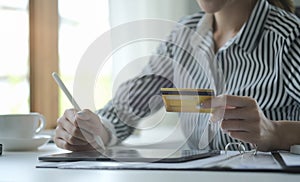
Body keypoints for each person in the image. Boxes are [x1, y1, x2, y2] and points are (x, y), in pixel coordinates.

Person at [54, 0, 300, 152]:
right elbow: (124, 110)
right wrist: (95, 132)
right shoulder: (182, 36)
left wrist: (275, 132)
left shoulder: (289, 38)